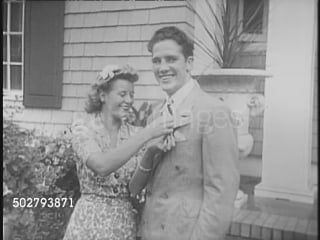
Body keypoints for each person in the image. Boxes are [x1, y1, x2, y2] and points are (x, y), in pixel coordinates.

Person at [130, 26, 240, 240]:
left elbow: (221, 193)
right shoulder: (155, 115)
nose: (163, 68)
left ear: (188, 63)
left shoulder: (214, 112)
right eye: (156, 60)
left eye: (171, 59)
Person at [63, 64, 174, 240]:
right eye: (122, 94)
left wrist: (150, 152)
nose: (129, 100)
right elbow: (101, 165)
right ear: (102, 95)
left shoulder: (134, 134)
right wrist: (148, 133)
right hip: (88, 223)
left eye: (132, 95)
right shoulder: (83, 128)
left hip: (122, 225)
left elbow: (134, 189)